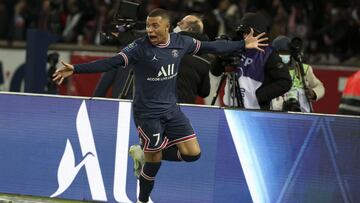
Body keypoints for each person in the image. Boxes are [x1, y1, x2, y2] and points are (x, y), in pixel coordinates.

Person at [53, 8, 268, 203]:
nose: (150, 30)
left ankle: (143, 153)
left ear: (167, 27)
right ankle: (143, 200)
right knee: (154, 163)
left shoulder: (180, 42)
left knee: (193, 154)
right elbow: (111, 62)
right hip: (147, 114)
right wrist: (76, 69)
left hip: (171, 110)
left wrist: (243, 44)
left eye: (155, 25)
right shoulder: (138, 48)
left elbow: (212, 46)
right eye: (148, 25)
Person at [210, 12, 292, 110]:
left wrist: (259, 96)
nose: (245, 36)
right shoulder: (236, 48)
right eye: (243, 33)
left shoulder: (268, 54)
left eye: (248, 33)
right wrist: (219, 57)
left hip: (256, 111)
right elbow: (215, 71)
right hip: (230, 108)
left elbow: (285, 82)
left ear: (259, 34)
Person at [271, 35, 325, 112]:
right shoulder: (269, 69)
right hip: (276, 114)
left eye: (286, 52)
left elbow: (320, 87)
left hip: (302, 114)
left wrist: (313, 93)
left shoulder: (304, 69)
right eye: (280, 52)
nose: (283, 55)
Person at [174, 14, 212, 104]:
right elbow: (204, 92)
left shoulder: (168, 47)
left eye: (182, 23)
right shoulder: (205, 59)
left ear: (190, 30)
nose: (177, 23)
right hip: (187, 109)